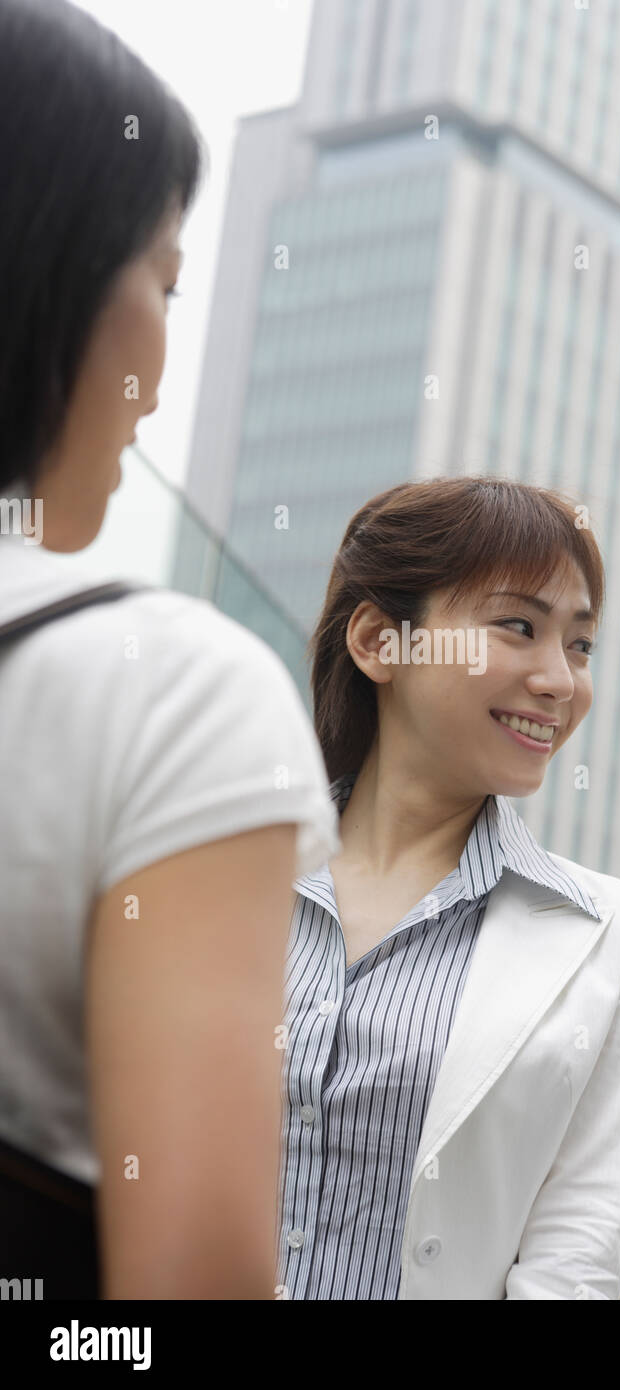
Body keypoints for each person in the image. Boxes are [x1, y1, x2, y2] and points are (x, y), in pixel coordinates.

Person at [0, 0, 340, 1299]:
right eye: (166, 279)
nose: (161, 348)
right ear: (51, 270)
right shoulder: (172, 692)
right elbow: (191, 1280)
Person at [274, 476, 620, 1300]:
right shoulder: (222, 880)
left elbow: (573, 1266)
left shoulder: (619, 936)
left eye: (580, 645)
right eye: (519, 627)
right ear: (381, 642)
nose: (561, 682)